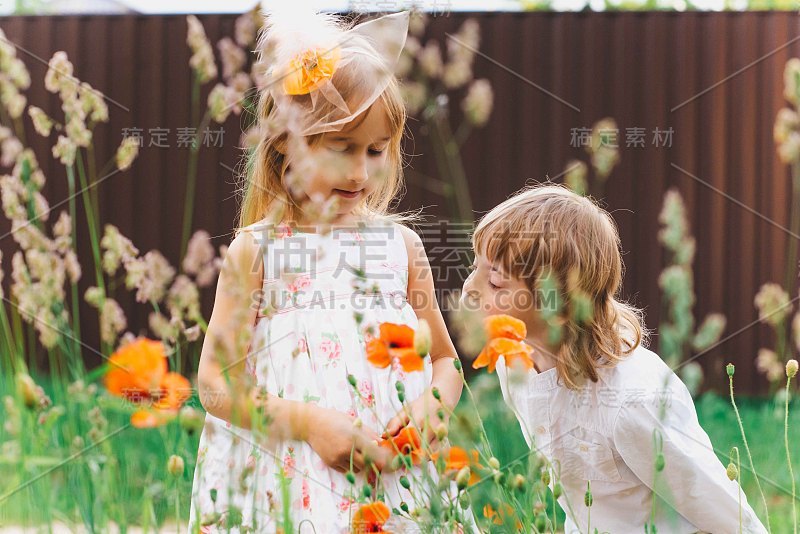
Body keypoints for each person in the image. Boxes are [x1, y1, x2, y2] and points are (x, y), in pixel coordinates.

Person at [188, 8, 466, 533]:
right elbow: (214, 385)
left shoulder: (400, 248)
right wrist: (309, 423)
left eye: (377, 151)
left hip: (397, 484)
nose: (361, 173)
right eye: (342, 150)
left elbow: (448, 363)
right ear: (288, 146)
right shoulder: (259, 251)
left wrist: (434, 405)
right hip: (291, 479)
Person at [461, 184, 768, 533]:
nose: (470, 287)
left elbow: (717, 504)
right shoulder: (512, 361)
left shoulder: (633, 401)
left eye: (496, 282)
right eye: (476, 266)